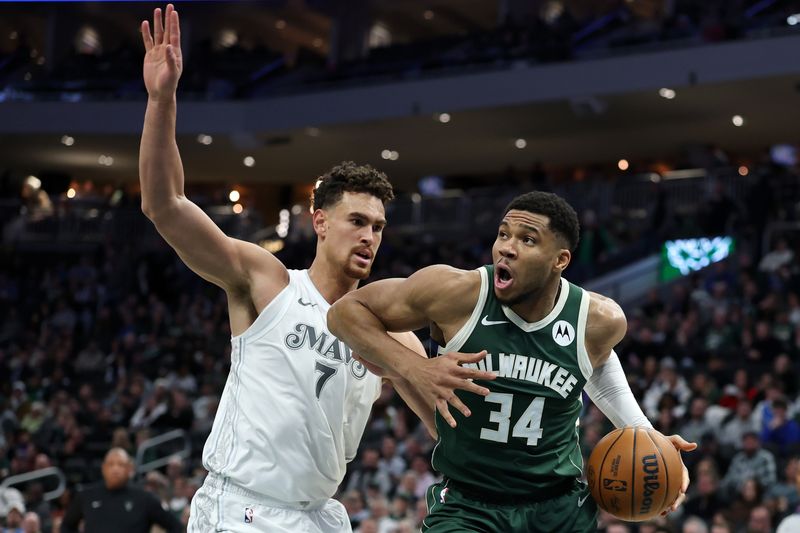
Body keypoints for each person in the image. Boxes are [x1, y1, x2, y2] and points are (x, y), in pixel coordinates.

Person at [138, 5, 490, 532]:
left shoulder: (392, 334)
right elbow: (164, 205)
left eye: (378, 226)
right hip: (241, 509)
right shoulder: (267, 281)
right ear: (319, 221)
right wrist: (161, 100)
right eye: (357, 220)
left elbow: (452, 429)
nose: (369, 235)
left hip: (318, 516)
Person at [329, 191, 697, 532]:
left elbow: (596, 361)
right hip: (470, 505)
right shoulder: (455, 294)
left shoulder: (599, 320)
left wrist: (647, 434)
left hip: (557, 508)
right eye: (503, 234)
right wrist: (416, 368)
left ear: (560, 260)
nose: (507, 248)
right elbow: (345, 313)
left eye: (527, 239)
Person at [60, 448, 181, 533]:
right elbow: (67, 526)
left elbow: (175, 526)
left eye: (121, 464)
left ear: (129, 469)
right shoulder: (86, 495)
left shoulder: (145, 499)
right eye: (111, 464)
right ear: (103, 468)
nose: (115, 469)